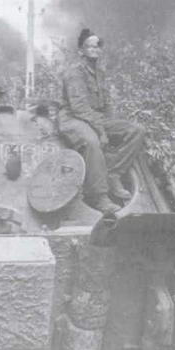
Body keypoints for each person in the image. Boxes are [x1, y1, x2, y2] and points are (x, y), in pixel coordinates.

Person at [58, 28, 145, 214]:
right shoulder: (74, 73)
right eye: (90, 46)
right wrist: (102, 131)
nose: (95, 49)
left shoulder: (100, 73)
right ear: (81, 51)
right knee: (92, 142)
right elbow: (79, 107)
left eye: (98, 46)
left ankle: (113, 172)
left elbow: (107, 106)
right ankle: (99, 197)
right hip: (73, 119)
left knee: (136, 130)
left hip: (95, 118)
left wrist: (112, 127)